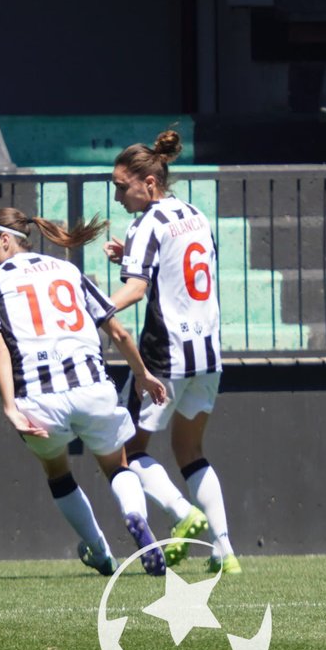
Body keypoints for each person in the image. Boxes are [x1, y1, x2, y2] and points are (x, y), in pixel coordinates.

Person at [0, 206, 171, 576]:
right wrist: (142, 374)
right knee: (118, 465)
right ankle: (134, 515)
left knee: (57, 471)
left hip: (39, 398)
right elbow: (118, 332)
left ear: (4, 239)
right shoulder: (68, 270)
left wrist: (10, 407)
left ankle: (98, 552)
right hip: (92, 388)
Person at [103, 129, 238, 574]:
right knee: (190, 450)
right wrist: (130, 255)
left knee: (128, 452)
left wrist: (95, 310)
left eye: (123, 186)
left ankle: (184, 515)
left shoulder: (146, 224)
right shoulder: (195, 214)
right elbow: (186, 266)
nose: (118, 195)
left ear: (149, 184)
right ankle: (225, 549)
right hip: (209, 352)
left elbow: (137, 290)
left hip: (166, 354)